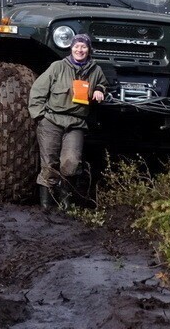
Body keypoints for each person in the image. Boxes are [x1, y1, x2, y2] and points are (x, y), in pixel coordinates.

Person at [28, 34, 107, 209]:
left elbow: (102, 84)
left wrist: (100, 90)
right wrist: (39, 116)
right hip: (51, 121)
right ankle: (46, 208)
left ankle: (65, 207)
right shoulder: (57, 67)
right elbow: (37, 91)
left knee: (71, 164)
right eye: (77, 46)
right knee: (49, 165)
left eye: (84, 47)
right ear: (71, 48)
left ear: (89, 50)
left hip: (76, 124)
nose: (80, 50)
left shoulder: (95, 71)